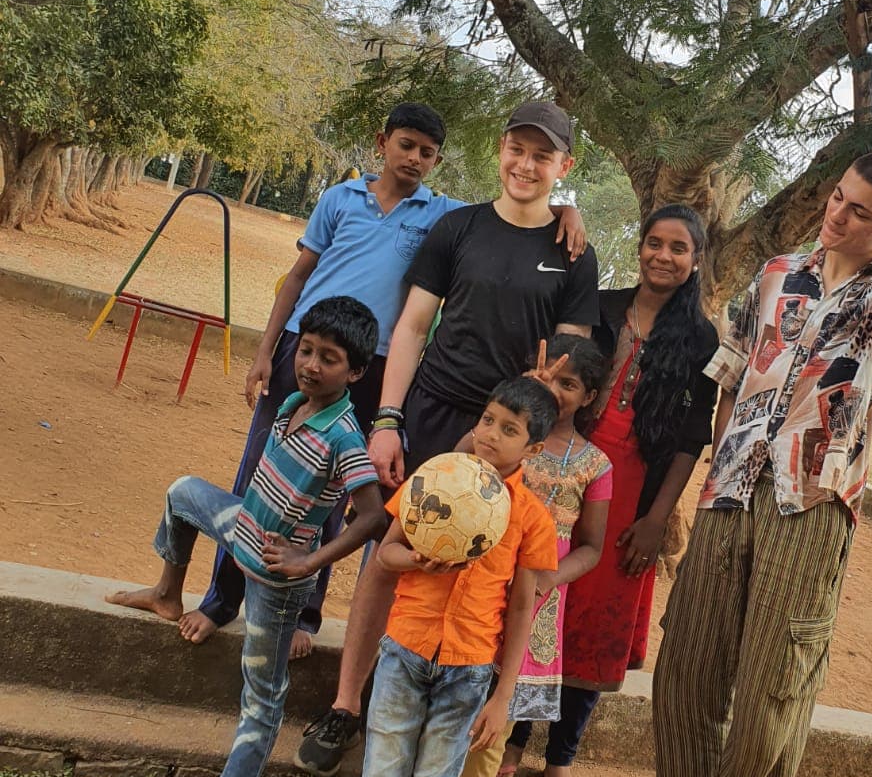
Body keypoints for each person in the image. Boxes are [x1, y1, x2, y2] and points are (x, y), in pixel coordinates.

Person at [598, 149, 872, 777]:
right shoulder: (776, 275)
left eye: (863, 211)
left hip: (811, 506)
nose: (838, 215)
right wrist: (715, 474)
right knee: (685, 671)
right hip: (732, 494)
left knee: (771, 692)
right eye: (837, 198)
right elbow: (730, 381)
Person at [180, 102, 584, 658]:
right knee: (267, 478)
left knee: (347, 493)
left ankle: (310, 613)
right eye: (405, 145)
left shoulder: (442, 213)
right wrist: (268, 349)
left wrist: (566, 210)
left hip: (387, 374)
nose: (414, 157)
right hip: (319, 358)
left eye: (426, 151)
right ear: (382, 142)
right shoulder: (352, 201)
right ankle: (224, 600)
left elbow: (518, 221)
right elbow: (304, 278)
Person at [295, 100, 600, 776]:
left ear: (564, 166)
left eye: (542, 156)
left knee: (483, 575)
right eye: (517, 149)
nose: (526, 165)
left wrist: (535, 410)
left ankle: (431, 724)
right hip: (433, 415)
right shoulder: (456, 227)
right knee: (389, 552)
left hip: (506, 435)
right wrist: (388, 420)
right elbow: (410, 327)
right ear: (500, 150)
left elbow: (570, 363)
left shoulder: (574, 253)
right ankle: (347, 704)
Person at [288, 376, 559, 777]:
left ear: (532, 450)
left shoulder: (530, 517)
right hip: (404, 656)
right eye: (488, 420)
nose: (491, 435)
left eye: (509, 430)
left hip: (467, 674)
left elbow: (522, 605)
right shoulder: (433, 479)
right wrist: (410, 558)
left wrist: (502, 696)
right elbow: (385, 553)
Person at [106, 298, 386, 777]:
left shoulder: (346, 439)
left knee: (262, 700)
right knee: (184, 492)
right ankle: (166, 592)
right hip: (243, 531)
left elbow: (373, 517)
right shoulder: (292, 404)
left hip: (277, 581)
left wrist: (309, 565)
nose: (310, 364)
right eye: (306, 350)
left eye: (329, 359)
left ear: (355, 372)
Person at [499, 206, 718, 777]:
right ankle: (513, 740)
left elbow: (689, 438)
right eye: (654, 242)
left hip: (636, 492)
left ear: (695, 260)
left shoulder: (700, 338)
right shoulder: (599, 304)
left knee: (597, 621)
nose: (663, 256)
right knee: (542, 602)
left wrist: (655, 520)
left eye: (679, 248)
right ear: (640, 245)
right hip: (567, 475)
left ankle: (562, 756)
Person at [437, 334, 613, 777]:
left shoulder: (595, 465)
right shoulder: (499, 436)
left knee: (494, 724)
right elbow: (461, 460)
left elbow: (590, 546)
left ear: (588, 397)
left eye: (568, 385)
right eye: (549, 378)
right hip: (471, 584)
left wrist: (549, 579)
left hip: (536, 599)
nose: (556, 392)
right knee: (443, 708)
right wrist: (523, 400)